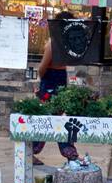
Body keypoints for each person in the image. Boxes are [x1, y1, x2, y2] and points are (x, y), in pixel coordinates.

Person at [33, 12, 81, 166]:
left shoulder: (63, 42)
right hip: (51, 80)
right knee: (49, 118)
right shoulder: (54, 44)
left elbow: (44, 68)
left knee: (55, 118)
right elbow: (42, 68)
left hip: (58, 78)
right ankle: (67, 152)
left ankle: (68, 151)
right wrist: (42, 85)